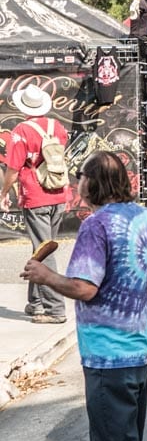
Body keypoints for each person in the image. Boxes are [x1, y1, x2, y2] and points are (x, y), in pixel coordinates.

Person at [20, 151, 147, 441]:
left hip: (109, 349)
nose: (77, 183)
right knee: (122, 430)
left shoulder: (95, 226)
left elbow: (85, 288)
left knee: (111, 435)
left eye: (81, 177)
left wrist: (45, 275)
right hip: (141, 343)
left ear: (92, 183)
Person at [1, 84, 69, 323]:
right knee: (41, 249)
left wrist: (3, 193)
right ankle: (37, 302)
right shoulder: (57, 126)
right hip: (59, 193)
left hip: (35, 195)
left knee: (44, 249)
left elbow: (12, 169)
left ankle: (55, 309)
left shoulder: (21, 130)